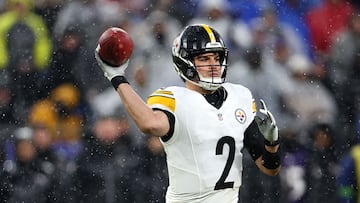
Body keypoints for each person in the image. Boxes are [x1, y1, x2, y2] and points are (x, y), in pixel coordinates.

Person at [94, 24, 281, 202]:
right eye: (204, 59)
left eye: (216, 58)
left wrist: (272, 143)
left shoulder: (240, 96)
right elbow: (149, 123)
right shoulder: (175, 99)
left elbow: (269, 168)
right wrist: (116, 77)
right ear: (184, 62)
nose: (214, 64)